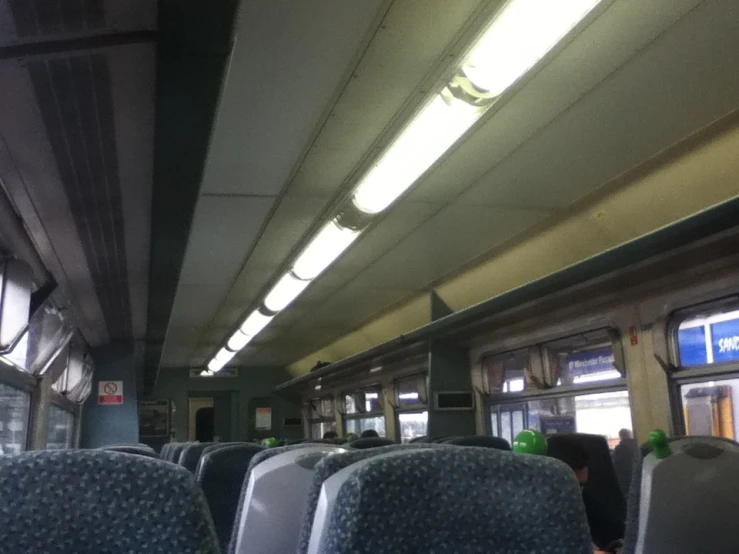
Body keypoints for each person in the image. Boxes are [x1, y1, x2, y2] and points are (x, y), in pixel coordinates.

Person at [547, 436, 624, 553]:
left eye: (580, 486)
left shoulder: (586, 499)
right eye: (569, 487)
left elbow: (618, 534)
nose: (576, 494)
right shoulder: (525, 511)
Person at [613, 429, 638, 495]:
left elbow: (616, 464)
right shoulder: (636, 446)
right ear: (629, 435)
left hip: (625, 478)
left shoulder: (620, 448)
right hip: (636, 475)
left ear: (621, 436)